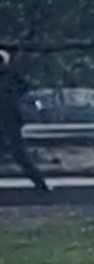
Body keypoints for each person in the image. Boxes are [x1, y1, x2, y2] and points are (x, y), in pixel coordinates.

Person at [0, 44, 44, 195]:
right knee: (16, 153)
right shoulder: (13, 77)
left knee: (19, 154)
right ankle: (40, 184)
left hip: (10, 119)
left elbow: (25, 91)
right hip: (9, 119)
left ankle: (40, 184)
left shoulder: (13, 77)